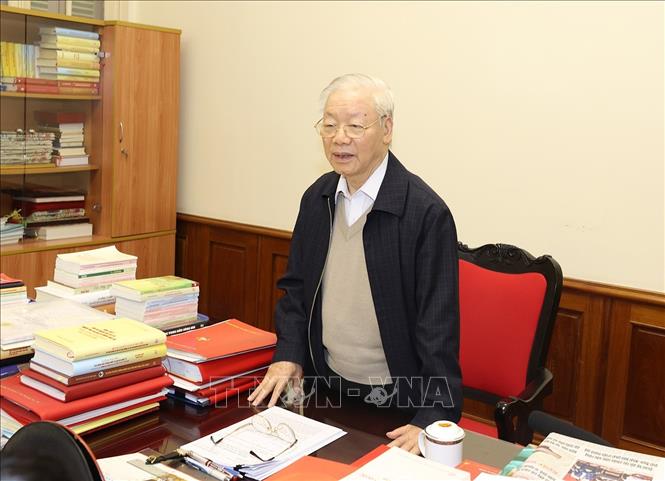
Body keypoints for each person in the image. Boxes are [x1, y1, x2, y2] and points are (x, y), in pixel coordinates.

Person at [248, 73, 462, 454]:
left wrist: (431, 416)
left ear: (387, 129)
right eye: (329, 125)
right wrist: (288, 354)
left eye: (355, 126)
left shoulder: (425, 213)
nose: (339, 138)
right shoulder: (318, 199)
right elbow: (296, 291)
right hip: (325, 393)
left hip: (398, 406)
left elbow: (437, 327)